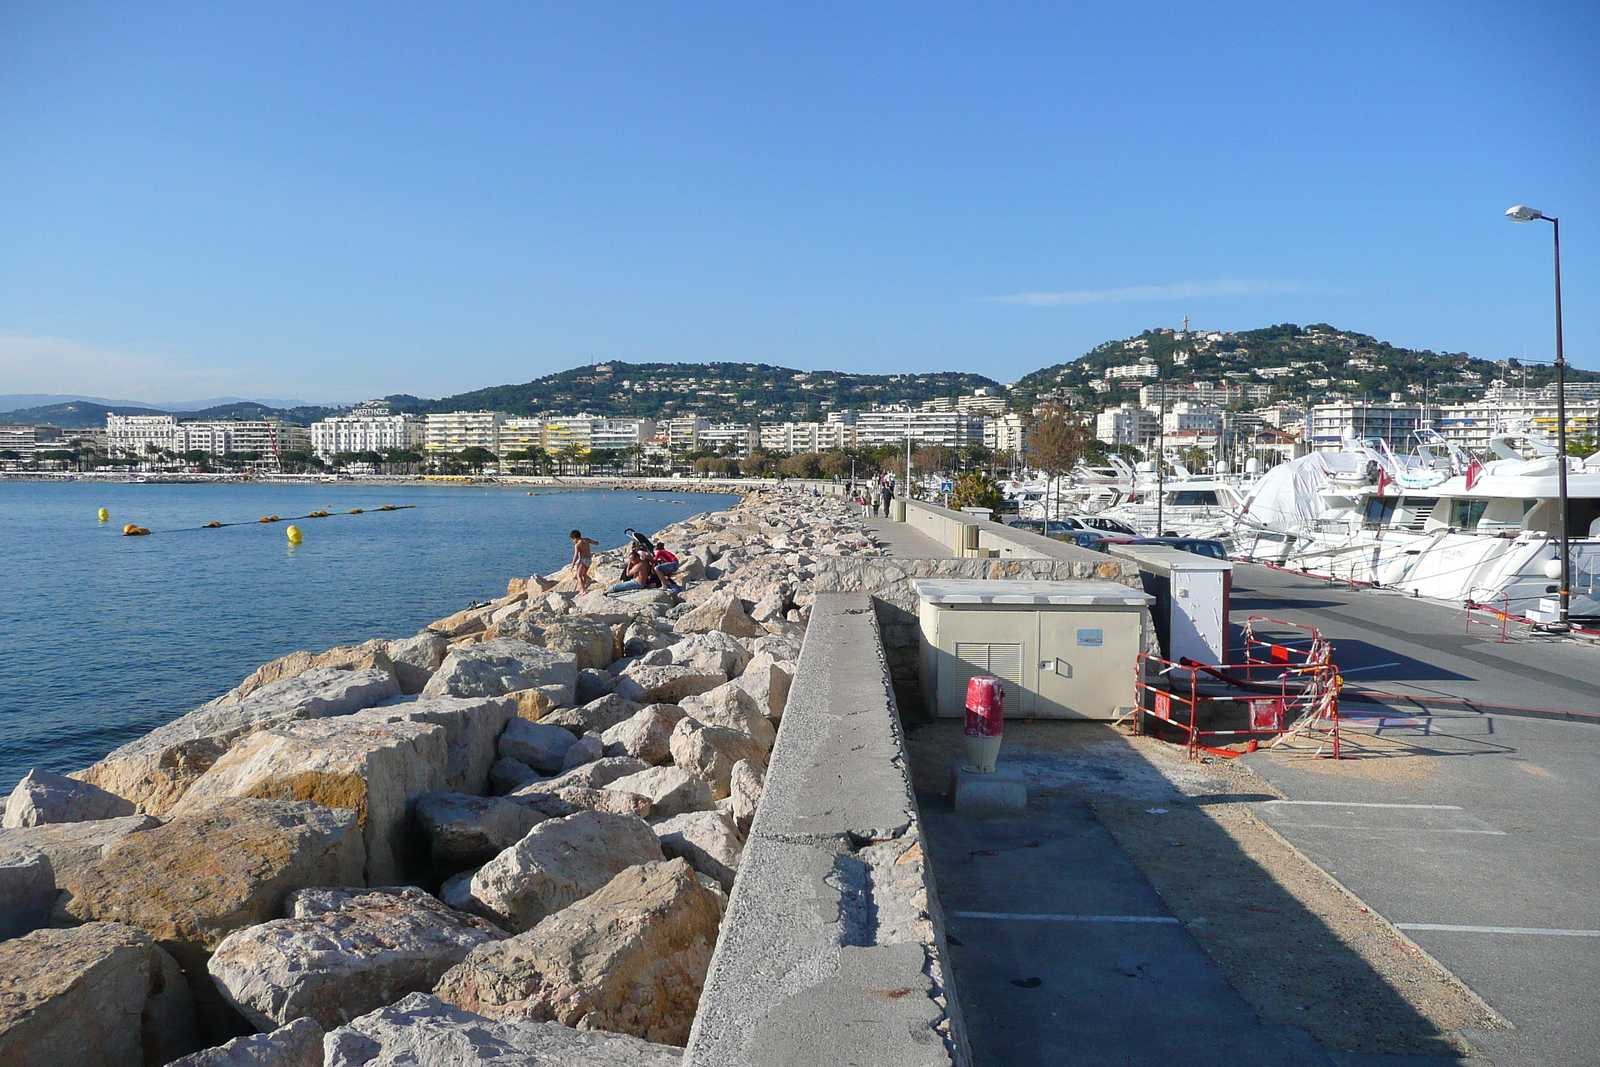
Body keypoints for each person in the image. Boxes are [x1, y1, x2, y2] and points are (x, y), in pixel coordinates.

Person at [569, 529, 600, 594]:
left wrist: (572, 565)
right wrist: (596, 543)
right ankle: (584, 587)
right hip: (589, 560)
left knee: (579, 575)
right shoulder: (587, 540)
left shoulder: (577, 545)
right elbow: (596, 543)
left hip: (583, 560)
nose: (573, 541)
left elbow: (576, 555)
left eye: (572, 539)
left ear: (575, 538)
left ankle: (582, 590)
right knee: (584, 574)